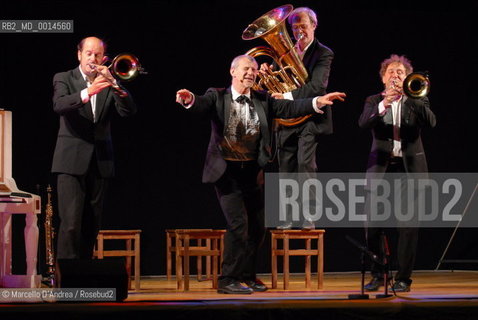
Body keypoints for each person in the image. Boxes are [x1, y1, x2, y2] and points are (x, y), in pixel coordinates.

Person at [176, 54, 345, 294]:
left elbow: (289, 107)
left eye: (254, 70)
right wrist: (189, 99)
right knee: (238, 225)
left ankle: (247, 275)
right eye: (246, 69)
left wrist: (317, 101)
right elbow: (201, 103)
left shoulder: (263, 99)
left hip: (253, 172)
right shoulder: (218, 95)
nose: (250, 73)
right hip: (227, 173)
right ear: (233, 72)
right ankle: (228, 279)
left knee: (258, 227)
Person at [52, 36, 137, 260]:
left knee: (91, 225)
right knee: (70, 224)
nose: (93, 58)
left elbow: (128, 112)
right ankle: (66, 281)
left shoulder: (108, 82)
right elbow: (59, 105)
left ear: (104, 58)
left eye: (97, 54)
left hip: (101, 162)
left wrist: (115, 83)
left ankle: (83, 275)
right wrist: (88, 92)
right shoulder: (64, 78)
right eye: (88, 53)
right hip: (70, 162)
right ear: (79, 55)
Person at [358, 54, 436, 292]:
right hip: (381, 170)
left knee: (408, 227)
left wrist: (411, 99)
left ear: (408, 78)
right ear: (383, 78)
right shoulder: (374, 100)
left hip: (409, 172)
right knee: (373, 225)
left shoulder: (417, 99)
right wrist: (385, 105)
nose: (395, 75)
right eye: (391, 72)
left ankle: (403, 278)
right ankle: (378, 275)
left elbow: (431, 123)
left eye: (400, 72)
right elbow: (363, 123)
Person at [260, 7, 334, 229]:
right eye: (295, 27)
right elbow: (274, 82)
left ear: (314, 25)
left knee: (304, 164)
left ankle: (309, 214)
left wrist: (287, 95)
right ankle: (287, 216)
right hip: (287, 118)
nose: (299, 31)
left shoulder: (323, 53)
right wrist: (266, 71)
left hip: (310, 117)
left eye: (303, 25)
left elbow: (317, 86)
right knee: (286, 167)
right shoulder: (283, 53)